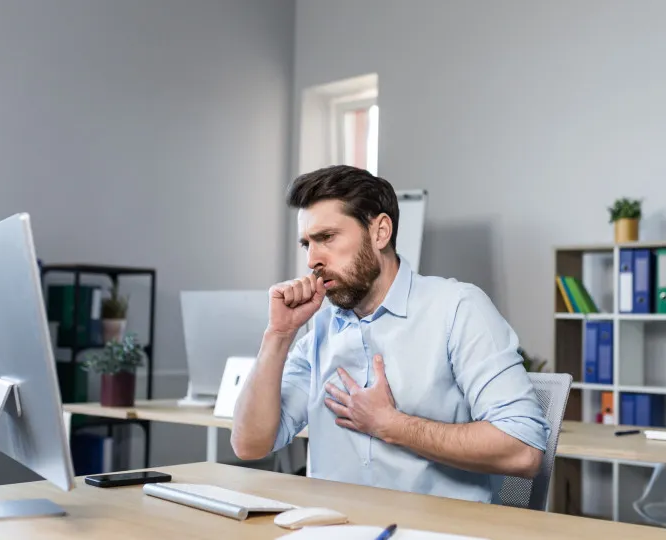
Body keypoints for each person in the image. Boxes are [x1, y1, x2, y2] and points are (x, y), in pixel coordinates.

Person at [231, 165, 550, 503]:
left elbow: (523, 451)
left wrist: (391, 425)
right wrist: (279, 334)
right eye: (307, 244)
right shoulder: (320, 329)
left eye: (327, 238)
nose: (312, 259)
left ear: (380, 232)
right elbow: (250, 445)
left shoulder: (456, 309)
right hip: (333, 528)